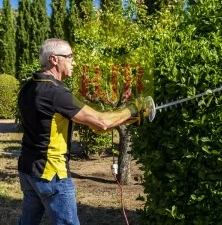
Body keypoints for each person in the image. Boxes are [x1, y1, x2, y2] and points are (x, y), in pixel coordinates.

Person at [17, 38, 146, 225]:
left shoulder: (29, 87)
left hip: (28, 170)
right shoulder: (56, 94)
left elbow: (95, 125)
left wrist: (128, 119)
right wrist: (133, 109)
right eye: (69, 57)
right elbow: (101, 122)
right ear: (54, 59)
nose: (73, 62)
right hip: (51, 174)